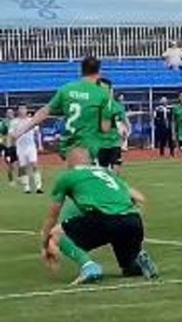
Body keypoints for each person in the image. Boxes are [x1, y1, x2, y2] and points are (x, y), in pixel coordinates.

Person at [40, 147, 158, 285]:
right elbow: (139, 197)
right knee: (128, 268)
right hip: (133, 220)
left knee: (56, 234)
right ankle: (138, 260)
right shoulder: (107, 173)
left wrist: (46, 243)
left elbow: (52, 217)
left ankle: (89, 267)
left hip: (105, 219)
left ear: (69, 162)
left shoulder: (68, 176)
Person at [11, 56, 112, 162]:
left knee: (75, 170)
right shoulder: (102, 94)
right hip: (90, 145)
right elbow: (105, 128)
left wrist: (22, 130)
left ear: (81, 71)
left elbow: (44, 112)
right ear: (99, 72)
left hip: (70, 145)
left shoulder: (67, 89)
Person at [96, 78, 129, 174]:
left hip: (114, 141)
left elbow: (125, 121)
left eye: (105, 89)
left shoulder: (117, 106)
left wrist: (125, 132)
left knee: (116, 165)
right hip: (100, 142)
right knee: (103, 170)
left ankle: (114, 181)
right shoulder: (95, 106)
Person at [9, 105, 44, 194]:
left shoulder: (31, 120)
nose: (23, 110)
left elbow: (37, 133)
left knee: (34, 164)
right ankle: (27, 187)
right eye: (21, 109)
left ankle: (38, 186)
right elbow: (11, 133)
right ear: (18, 111)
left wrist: (40, 145)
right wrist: (15, 136)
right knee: (23, 167)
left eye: (24, 109)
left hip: (31, 146)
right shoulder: (14, 122)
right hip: (20, 147)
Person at [0, 109, 19, 186]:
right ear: (6, 114)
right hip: (7, 147)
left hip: (17, 146)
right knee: (10, 164)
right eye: (8, 112)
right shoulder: (4, 123)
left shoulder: (17, 121)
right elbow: (2, 134)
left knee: (18, 163)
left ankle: (20, 178)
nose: (10, 114)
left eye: (11, 112)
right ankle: (11, 180)